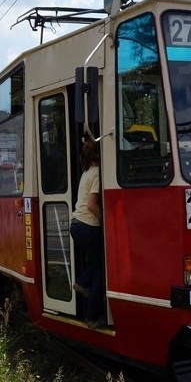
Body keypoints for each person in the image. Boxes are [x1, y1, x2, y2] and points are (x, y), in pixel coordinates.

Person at [70, 139, 105, 328]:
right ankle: (92, 318)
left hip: (77, 224)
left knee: (96, 263)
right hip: (88, 225)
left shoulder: (87, 172)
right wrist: (106, 221)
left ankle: (82, 283)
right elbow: (92, 205)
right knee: (101, 270)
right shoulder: (98, 173)